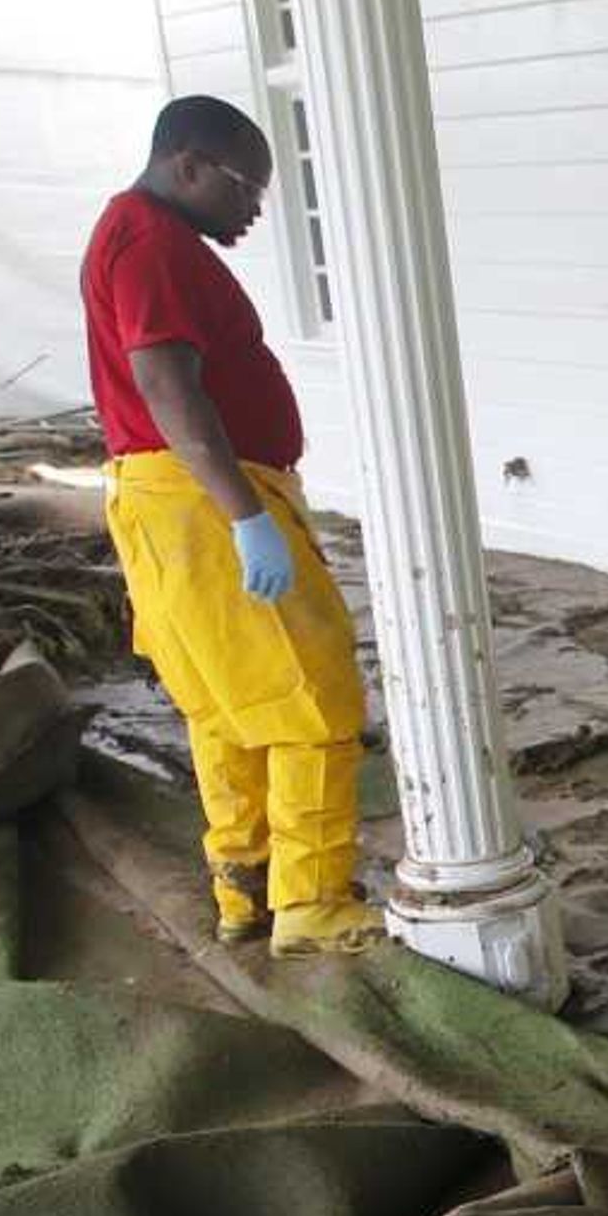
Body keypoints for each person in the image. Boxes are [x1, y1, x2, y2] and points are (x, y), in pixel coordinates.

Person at [80, 94, 381, 957]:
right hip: (204, 503)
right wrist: (247, 517)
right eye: (246, 187)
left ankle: (244, 888)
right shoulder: (153, 243)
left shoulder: (134, 232)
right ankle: (314, 901)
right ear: (189, 165)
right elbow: (169, 386)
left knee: (226, 707)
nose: (253, 209)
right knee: (313, 698)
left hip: (166, 502)